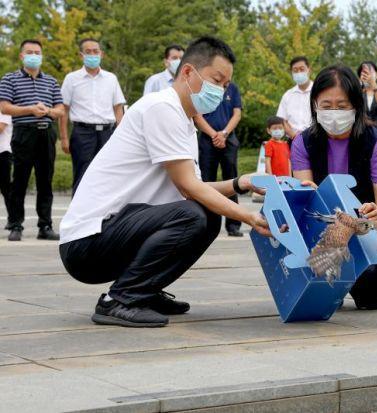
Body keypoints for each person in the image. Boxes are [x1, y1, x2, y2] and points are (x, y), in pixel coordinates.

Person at [58, 36, 271, 328]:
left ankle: (144, 290)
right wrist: (248, 216)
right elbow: (188, 188)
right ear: (187, 73)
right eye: (216, 80)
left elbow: (194, 185)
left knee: (206, 213)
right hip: (86, 242)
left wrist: (240, 183)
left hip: (115, 230)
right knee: (193, 214)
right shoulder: (161, 108)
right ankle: (121, 299)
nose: (220, 92)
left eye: (225, 86)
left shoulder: (184, 119)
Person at [291, 64, 377, 310]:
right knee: (317, 296)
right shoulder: (303, 142)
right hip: (322, 227)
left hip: (367, 229)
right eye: (326, 105)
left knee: (372, 298)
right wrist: (309, 193)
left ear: (356, 105)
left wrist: (376, 215)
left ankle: (375, 276)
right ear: (314, 106)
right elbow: (302, 191)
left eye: (342, 106)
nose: (334, 112)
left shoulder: (375, 142)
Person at [0, 39, 64, 242]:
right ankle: (16, 224)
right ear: (21, 56)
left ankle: (45, 226)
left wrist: (48, 111)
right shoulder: (10, 79)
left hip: (46, 133)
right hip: (23, 133)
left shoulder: (51, 81)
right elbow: (5, 107)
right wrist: (30, 109)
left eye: (37, 52)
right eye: (30, 52)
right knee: (20, 180)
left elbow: (61, 110)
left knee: (45, 181)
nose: (34, 56)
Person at [60, 38, 126, 193]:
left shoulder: (111, 78)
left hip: (107, 133)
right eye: (88, 52)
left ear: (101, 54)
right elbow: (64, 109)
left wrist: (121, 133)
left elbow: (118, 108)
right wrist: (64, 138)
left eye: (95, 51)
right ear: (81, 55)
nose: (92, 55)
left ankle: (105, 215)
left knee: (108, 175)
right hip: (82, 133)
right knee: (82, 175)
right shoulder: (72, 78)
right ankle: (78, 215)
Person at [193, 81, 243, 237]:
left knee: (232, 181)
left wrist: (224, 133)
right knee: (206, 181)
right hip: (207, 140)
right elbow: (197, 116)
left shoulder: (233, 88)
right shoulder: (203, 87)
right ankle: (206, 223)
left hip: (228, 139)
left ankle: (233, 224)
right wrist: (214, 135)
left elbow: (237, 114)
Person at [277, 56, 313, 139]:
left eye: (302, 69)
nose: (299, 72)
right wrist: (294, 136)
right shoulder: (287, 95)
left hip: (316, 139)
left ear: (309, 70)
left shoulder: (319, 91)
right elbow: (282, 120)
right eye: (295, 70)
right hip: (293, 140)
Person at [0, 109, 10, 219]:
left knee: (6, 189)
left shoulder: (3, 108)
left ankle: (13, 219)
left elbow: (1, 127)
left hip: (3, 152)